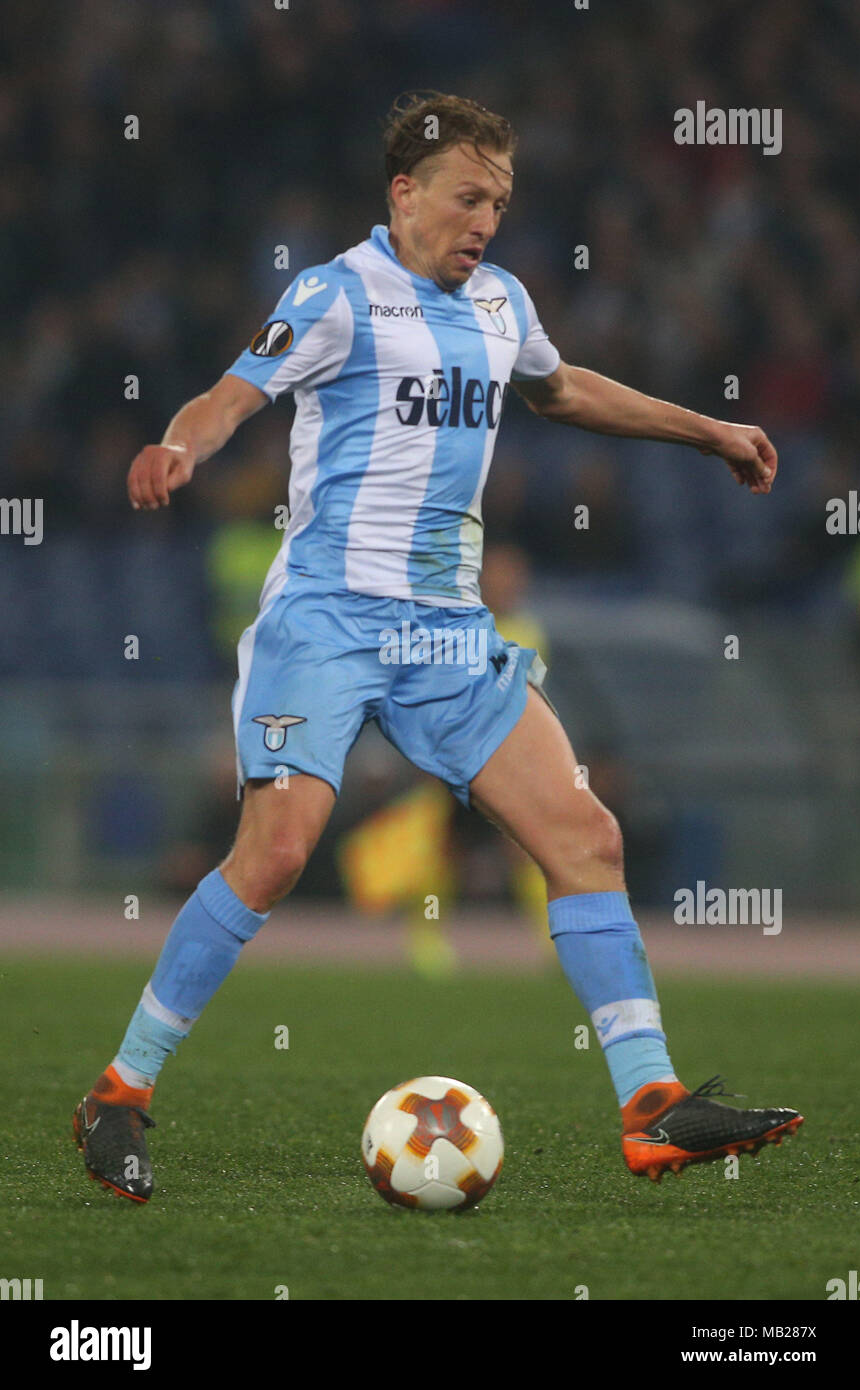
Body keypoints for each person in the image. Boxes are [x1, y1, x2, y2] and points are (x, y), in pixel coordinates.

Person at [73, 92, 801, 1202]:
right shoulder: (333, 294)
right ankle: (120, 1093)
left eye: (499, 205)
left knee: (587, 833)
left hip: (447, 635)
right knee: (276, 851)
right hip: (326, 618)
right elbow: (230, 394)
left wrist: (706, 430)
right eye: (467, 197)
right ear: (404, 193)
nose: (484, 223)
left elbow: (558, 389)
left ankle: (651, 1105)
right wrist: (178, 443)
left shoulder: (502, 301)